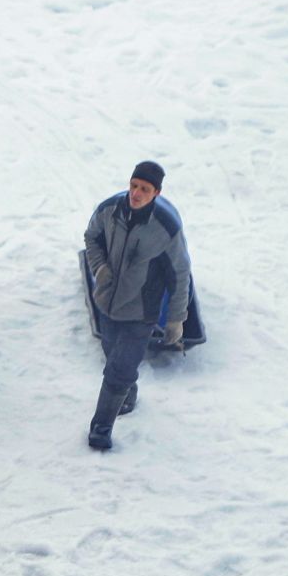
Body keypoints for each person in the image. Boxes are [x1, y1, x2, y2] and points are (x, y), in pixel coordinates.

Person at [82, 160, 191, 450]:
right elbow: (91, 237)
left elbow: (180, 274)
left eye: (144, 189)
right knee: (112, 355)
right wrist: (100, 268)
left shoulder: (166, 229)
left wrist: (176, 319)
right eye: (133, 185)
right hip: (107, 303)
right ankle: (127, 394)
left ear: (156, 193)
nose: (136, 193)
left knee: (118, 370)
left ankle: (100, 430)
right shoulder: (109, 210)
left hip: (141, 312)